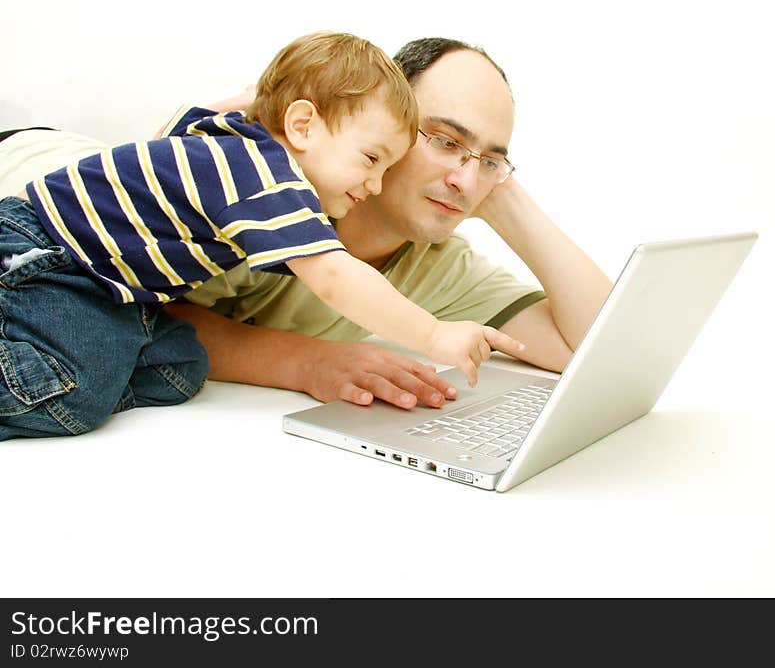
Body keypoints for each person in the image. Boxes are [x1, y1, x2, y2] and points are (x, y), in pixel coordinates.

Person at [0, 32, 522, 441]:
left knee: (183, 365)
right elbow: (335, 276)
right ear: (301, 125)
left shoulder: (235, 144)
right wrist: (434, 336)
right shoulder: (265, 177)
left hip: (117, 286)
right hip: (47, 251)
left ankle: (96, 357)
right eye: (370, 159)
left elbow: (180, 129)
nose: (374, 184)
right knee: (74, 392)